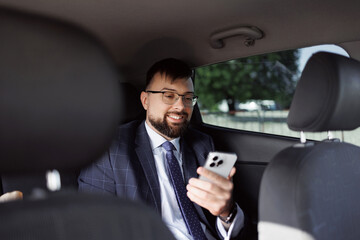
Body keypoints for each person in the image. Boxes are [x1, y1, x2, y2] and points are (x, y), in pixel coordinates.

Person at [78, 58, 245, 240]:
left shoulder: (203, 145)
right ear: (145, 100)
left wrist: (226, 212)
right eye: (169, 95)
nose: (181, 106)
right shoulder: (111, 146)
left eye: (188, 98)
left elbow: (224, 224)